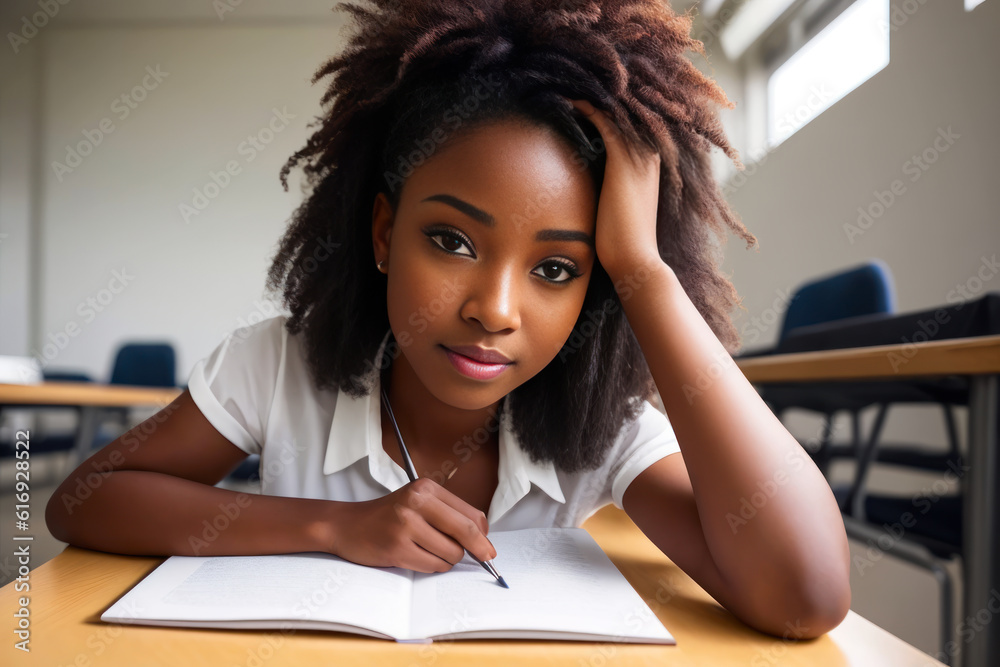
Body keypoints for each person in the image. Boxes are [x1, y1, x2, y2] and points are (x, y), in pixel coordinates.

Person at [46, 0, 851, 638]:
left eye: (557, 268)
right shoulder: (276, 366)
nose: (493, 309)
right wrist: (337, 526)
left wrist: (645, 273)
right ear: (383, 233)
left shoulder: (601, 423)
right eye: (452, 239)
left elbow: (805, 594)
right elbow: (82, 498)